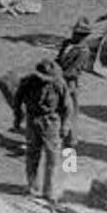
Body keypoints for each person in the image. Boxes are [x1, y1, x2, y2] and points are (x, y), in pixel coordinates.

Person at [19, 60, 70, 202]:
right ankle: (32, 186)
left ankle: (50, 191)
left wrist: (65, 125)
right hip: (32, 120)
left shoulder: (59, 84)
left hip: (51, 123)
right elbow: (17, 99)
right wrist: (18, 118)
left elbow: (67, 107)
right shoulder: (28, 82)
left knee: (52, 158)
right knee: (32, 155)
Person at [55, 17, 94, 147]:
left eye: (77, 34)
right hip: (57, 79)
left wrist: (57, 75)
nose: (73, 35)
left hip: (69, 84)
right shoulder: (66, 43)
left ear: (83, 36)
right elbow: (58, 59)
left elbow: (74, 71)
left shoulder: (84, 52)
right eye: (74, 32)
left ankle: (71, 140)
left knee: (70, 112)